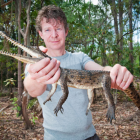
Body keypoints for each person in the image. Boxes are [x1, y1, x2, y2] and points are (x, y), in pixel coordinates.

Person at [24, 5, 133, 140]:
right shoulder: (35, 63)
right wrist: (36, 74)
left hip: (90, 135)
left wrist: (116, 71)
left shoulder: (80, 57)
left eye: (58, 28)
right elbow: (32, 89)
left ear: (66, 31)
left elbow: (102, 70)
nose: (54, 34)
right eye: (47, 29)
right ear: (41, 34)